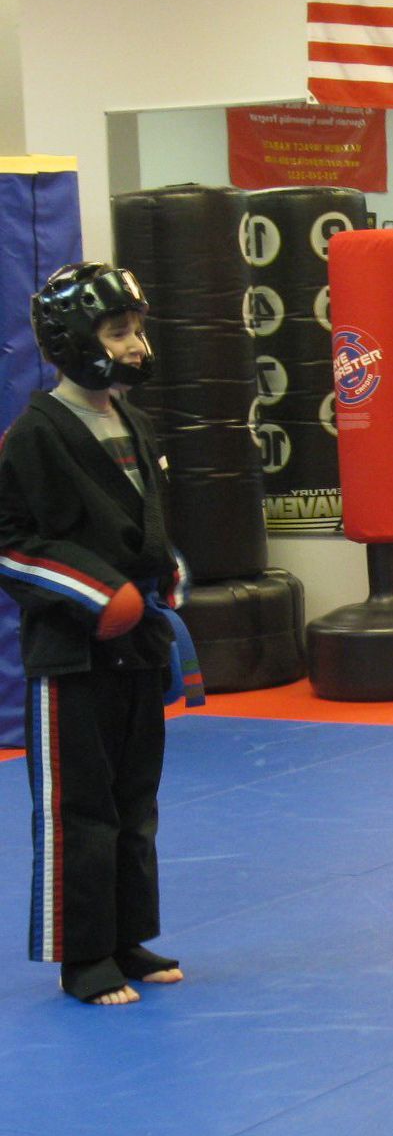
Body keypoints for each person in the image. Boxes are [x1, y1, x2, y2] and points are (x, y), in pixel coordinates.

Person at [0, 264, 195, 1006]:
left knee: (132, 798)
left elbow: (146, 525)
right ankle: (81, 956)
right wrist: (92, 593)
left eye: (138, 329)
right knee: (77, 804)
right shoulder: (36, 434)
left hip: (137, 641)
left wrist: (163, 582)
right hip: (73, 652)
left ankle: (126, 937)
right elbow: (10, 543)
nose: (137, 346)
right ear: (75, 341)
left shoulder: (134, 423)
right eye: (120, 332)